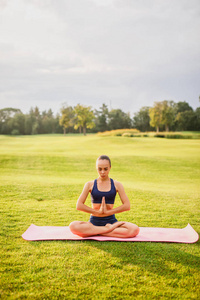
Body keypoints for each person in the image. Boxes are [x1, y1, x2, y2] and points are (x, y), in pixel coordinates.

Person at [69, 155, 140, 238]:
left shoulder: (117, 185)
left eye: (105, 169)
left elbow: (127, 205)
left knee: (134, 229)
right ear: (96, 168)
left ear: (110, 168)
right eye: (100, 169)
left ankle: (96, 232)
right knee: (73, 226)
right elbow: (79, 205)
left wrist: (108, 212)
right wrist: (97, 212)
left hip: (111, 221)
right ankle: (108, 230)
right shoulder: (89, 184)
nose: (102, 172)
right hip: (94, 222)